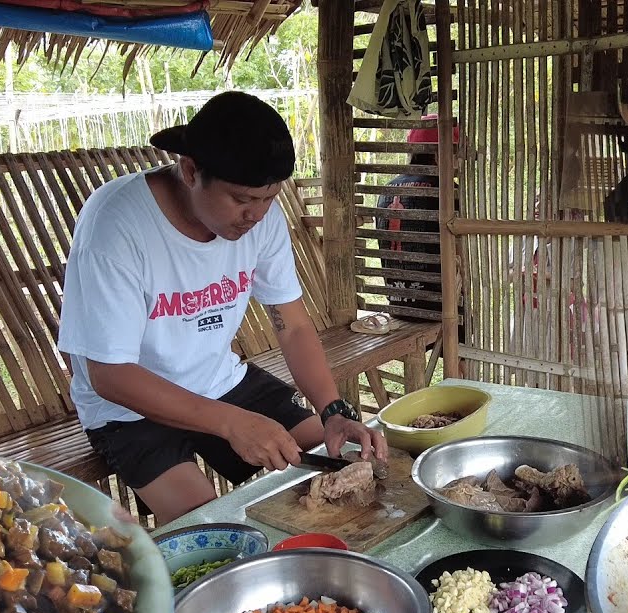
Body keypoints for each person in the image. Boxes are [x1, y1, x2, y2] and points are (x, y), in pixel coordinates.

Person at [57, 91, 387, 525]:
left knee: (343, 470)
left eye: (269, 198)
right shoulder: (117, 224)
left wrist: (333, 411)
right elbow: (109, 375)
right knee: (215, 528)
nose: (256, 215)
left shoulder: (261, 218)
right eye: (241, 199)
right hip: (129, 407)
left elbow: (291, 325)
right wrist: (232, 424)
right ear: (191, 171)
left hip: (219, 380)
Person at [374, 114, 466, 349]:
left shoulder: (387, 189)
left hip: (398, 305)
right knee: (468, 336)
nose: (459, 160)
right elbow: (462, 255)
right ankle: (463, 368)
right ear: (440, 153)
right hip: (438, 308)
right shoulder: (447, 191)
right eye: (456, 151)